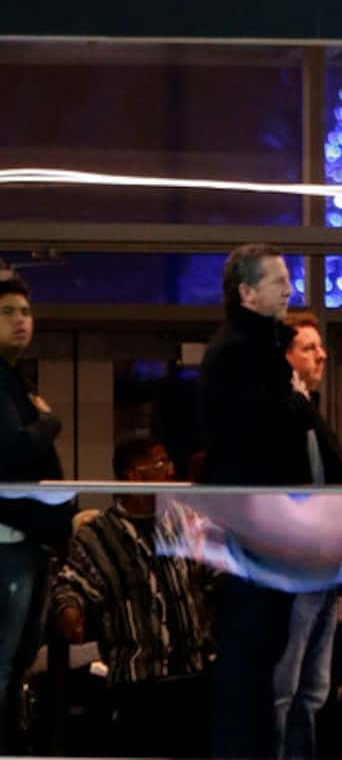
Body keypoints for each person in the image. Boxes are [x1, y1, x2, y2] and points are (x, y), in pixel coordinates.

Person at [198, 244, 342, 759]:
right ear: (246, 292)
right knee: (260, 673)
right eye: (277, 281)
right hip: (260, 532)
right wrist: (294, 405)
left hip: (282, 536)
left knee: (279, 673)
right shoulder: (243, 353)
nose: (288, 289)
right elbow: (265, 432)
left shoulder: (258, 348)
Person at [51, 437, 213, 757]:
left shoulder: (184, 520)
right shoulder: (97, 535)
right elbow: (70, 585)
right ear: (134, 476)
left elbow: (215, 570)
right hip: (137, 679)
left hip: (192, 672)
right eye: (161, 464)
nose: (171, 471)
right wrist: (70, 611)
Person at [273, 312, 342, 760]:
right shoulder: (276, 413)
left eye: (320, 347)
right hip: (291, 569)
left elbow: (332, 495)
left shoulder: (313, 414)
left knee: (313, 690)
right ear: (284, 357)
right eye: (309, 348)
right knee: (283, 688)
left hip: (325, 572)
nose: (321, 355)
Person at [0, 266, 72, 754]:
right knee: (4, 661)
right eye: (7, 313)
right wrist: (49, 423)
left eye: (26, 312)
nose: (21, 321)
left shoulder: (14, 381)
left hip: (28, 539)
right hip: (8, 540)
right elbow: (11, 451)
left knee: (17, 661)